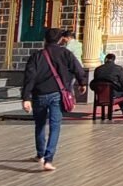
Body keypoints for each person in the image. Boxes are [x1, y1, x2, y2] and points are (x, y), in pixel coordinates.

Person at [22, 27, 87, 172]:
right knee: (55, 126)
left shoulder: (37, 56)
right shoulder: (66, 53)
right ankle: (48, 159)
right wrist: (82, 83)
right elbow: (78, 69)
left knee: (39, 125)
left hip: (39, 95)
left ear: (45, 40)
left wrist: (26, 97)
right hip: (57, 94)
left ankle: (40, 154)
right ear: (60, 40)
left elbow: (29, 77)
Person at [90, 53, 123, 119]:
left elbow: (95, 82)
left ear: (105, 59)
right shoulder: (118, 68)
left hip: (100, 94)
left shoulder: (98, 69)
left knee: (116, 92)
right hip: (113, 94)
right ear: (114, 60)